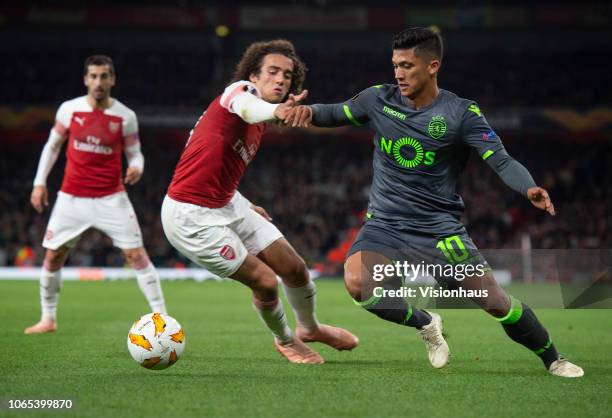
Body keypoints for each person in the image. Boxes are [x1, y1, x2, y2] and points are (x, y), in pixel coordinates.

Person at [283, 28, 583, 377]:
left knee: (495, 302)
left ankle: (553, 358)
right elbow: (335, 112)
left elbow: (501, 159)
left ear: (432, 66)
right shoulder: (378, 99)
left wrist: (528, 187)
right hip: (385, 225)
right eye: (395, 64)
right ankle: (427, 322)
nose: (398, 73)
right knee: (359, 285)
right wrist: (305, 111)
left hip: (438, 230)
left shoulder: (461, 113)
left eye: (407, 65)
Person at [161, 40, 358, 364]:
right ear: (253, 75)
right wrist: (277, 110)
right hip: (190, 215)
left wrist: (242, 201)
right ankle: (286, 340)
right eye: (273, 72)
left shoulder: (260, 123)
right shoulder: (238, 94)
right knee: (266, 282)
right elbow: (247, 106)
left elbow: (215, 166)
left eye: (287, 75)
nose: (281, 79)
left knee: (294, 268)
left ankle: (309, 328)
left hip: (227, 202)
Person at [25, 55, 167, 334]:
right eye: (93, 76)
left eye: (104, 76)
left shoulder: (125, 116)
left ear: (112, 79)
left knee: (136, 255)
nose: (98, 82)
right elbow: (52, 146)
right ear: (85, 79)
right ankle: (48, 319)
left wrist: (137, 167)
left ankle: (163, 319)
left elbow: (135, 154)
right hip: (71, 198)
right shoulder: (69, 110)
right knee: (53, 256)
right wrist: (39, 182)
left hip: (110, 197)